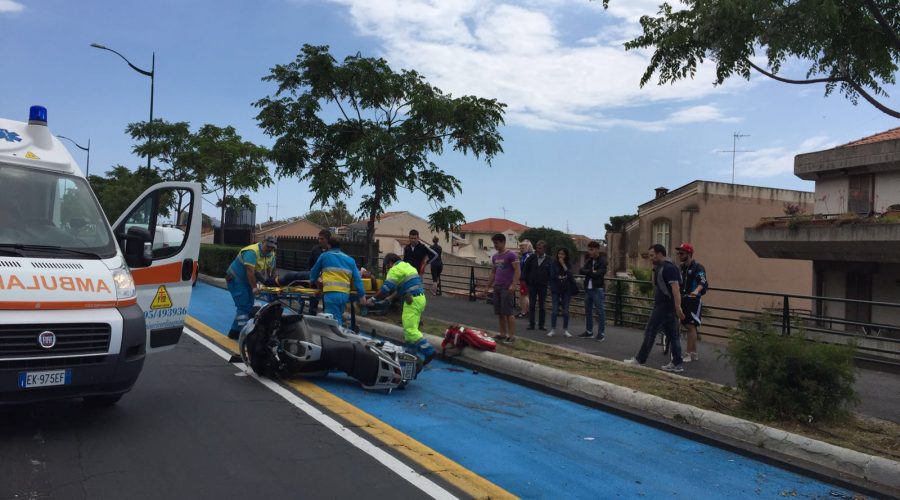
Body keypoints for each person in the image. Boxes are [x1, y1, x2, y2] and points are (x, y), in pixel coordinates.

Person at [624, 244, 686, 372]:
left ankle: (640, 360)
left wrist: (678, 307)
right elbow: (654, 284)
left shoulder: (669, 268)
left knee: (650, 332)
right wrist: (654, 269)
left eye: (652, 255)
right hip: (666, 306)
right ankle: (677, 363)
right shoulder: (661, 267)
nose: (650, 258)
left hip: (664, 307)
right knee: (673, 336)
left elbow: (676, 288)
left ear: (659, 254)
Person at [367, 253, 435, 366]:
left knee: (410, 330)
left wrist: (372, 299)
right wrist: (390, 299)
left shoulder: (394, 270)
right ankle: (410, 356)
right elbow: (402, 287)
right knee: (410, 329)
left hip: (411, 301)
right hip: (420, 299)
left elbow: (385, 288)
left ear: (390, 263)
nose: (387, 268)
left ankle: (428, 351)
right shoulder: (408, 266)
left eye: (387, 266)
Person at [225, 236, 278, 339]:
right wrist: (254, 288)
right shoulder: (251, 252)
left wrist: (271, 283)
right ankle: (242, 333)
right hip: (236, 279)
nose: (270, 249)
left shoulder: (271, 254)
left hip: (248, 281)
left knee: (249, 306)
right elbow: (250, 272)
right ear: (263, 242)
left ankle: (234, 332)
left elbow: (270, 271)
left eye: (272, 247)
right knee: (243, 306)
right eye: (268, 246)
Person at [309, 237, 365, 327]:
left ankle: (338, 338)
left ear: (329, 245)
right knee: (338, 315)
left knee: (333, 321)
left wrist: (312, 281)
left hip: (331, 293)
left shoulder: (324, 256)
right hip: (344, 294)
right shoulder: (350, 259)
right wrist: (362, 294)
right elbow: (357, 279)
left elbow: (314, 271)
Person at [675, 243, 708, 363]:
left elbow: (702, 281)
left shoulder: (698, 267)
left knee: (691, 326)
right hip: (683, 298)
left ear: (689, 254)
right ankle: (694, 353)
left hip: (693, 300)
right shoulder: (681, 267)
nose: (679, 255)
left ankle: (688, 353)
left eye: (682, 253)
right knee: (689, 326)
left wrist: (696, 291)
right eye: (678, 253)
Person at [486, 233, 520, 343]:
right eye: (494, 243)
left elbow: (517, 270)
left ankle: (512, 335)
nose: (495, 245)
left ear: (503, 242)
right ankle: (502, 333)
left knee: (508, 312)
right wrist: (488, 286)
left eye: (497, 243)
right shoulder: (495, 257)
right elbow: (493, 272)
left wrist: (514, 284)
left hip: (507, 287)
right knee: (499, 312)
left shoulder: (511, 255)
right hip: (497, 287)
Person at [578, 241, 607, 341]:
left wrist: (589, 272)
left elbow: (598, 274)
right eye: (589, 249)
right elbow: (581, 270)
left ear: (597, 249)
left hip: (597, 289)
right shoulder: (589, 260)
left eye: (591, 249)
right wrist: (591, 271)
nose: (589, 252)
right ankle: (589, 332)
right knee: (588, 311)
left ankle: (601, 334)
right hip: (588, 289)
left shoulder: (602, 261)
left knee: (600, 312)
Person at [523, 240, 551, 331]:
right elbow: (525, 269)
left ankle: (541, 325)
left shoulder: (549, 260)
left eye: (540, 248)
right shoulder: (532, 257)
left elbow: (551, 273)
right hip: (532, 285)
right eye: (537, 248)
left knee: (542, 306)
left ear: (544, 249)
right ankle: (531, 324)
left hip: (543, 285)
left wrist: (550, 284)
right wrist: (525, 280)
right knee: (532, 305)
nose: (537, 250)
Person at [547, 247, 576, 338]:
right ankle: (553, 329)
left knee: (566, 311)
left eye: (563, 254)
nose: (561, 256)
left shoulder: (568, 264)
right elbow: (552, 275)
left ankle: (565, 330)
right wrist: (560, 277)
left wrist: (563, 265)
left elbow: (570, 275)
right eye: (559, 254)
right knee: (555, 310)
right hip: (556, 289)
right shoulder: (553, 264)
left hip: (566, 289)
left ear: (566, 255)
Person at [306, 229, 332, 314]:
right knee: (313, 305)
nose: (320, 240)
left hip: (328, 283)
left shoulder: (332, 251)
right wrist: (312, 278)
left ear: (328, 239)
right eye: (319, 238)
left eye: (322, 239)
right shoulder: (315, 250)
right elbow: (309, 265)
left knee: (327, 307)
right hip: (315, 282)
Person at [516, 240, 534, 319]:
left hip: (525, 279)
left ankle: (524, 311)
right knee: (524, 295)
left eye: (522, 247)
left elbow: (525, 269)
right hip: (526, 279)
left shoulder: (527, 257)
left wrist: (523, 278)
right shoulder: (527, 256)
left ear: (528, 247)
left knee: (524, 295)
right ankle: (527, 311)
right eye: (520, 247)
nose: (521, 249)